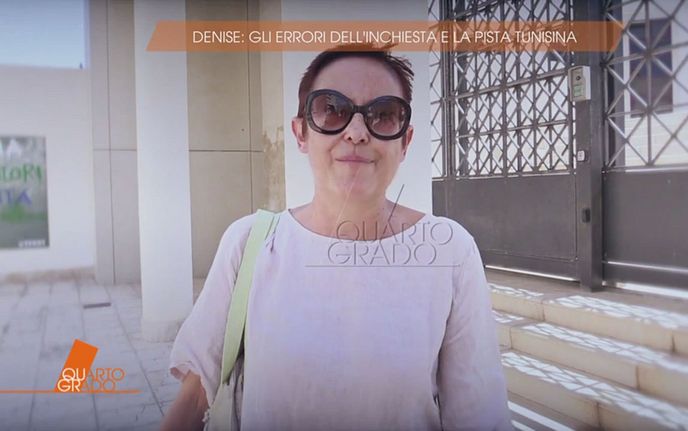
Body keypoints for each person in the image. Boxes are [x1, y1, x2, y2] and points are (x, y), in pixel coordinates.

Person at [161, 45, 511, 431]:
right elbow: (195, 397)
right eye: (332, 109)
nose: (357, 133)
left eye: (383, 114)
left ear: (405, 141)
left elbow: (478, 416)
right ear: (301, 133)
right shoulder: (249, 243)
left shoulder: (448, 250)